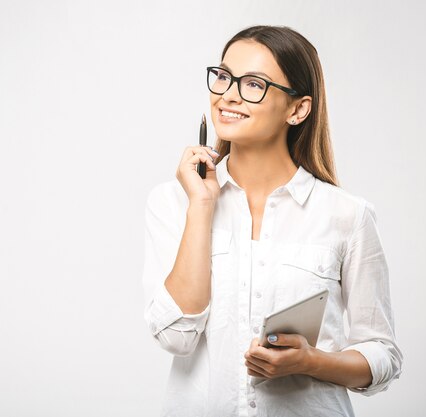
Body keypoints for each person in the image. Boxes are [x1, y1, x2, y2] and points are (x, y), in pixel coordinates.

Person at [141, 25, 403, 417]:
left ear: (298, 109)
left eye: (254, 84)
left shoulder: (348, 215)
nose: (228, 94)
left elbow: (382, 355)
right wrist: (201, 207)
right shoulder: (174, 202)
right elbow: (176, 337)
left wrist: (311, 361)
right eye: (224, 77)